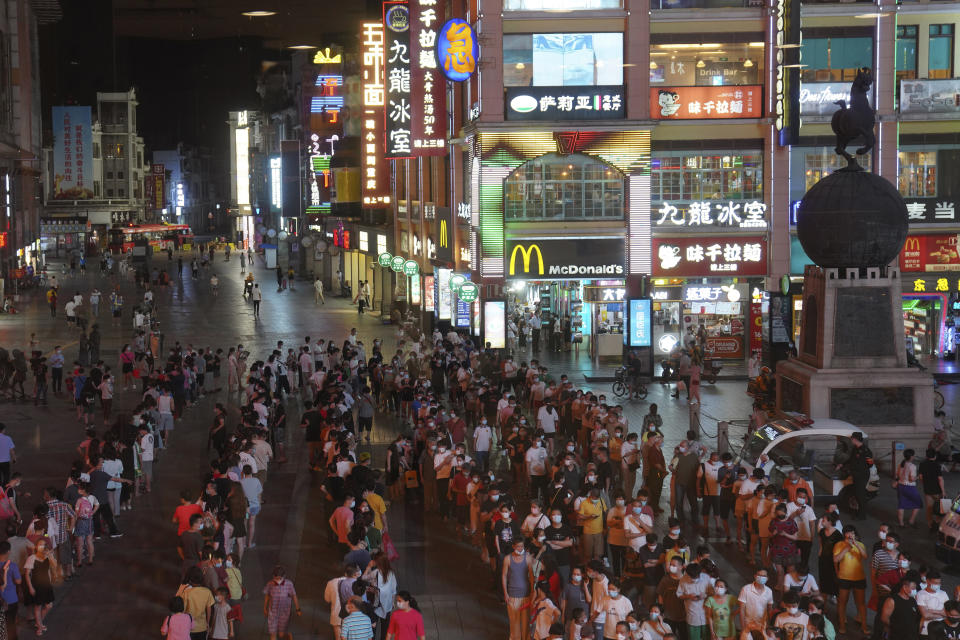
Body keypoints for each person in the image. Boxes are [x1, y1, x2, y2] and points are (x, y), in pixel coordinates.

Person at [833, 525, 868, 635]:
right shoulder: (839, 545)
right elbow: (836, 559)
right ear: (844, 534)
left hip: (859, 578)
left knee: (861, 603)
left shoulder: (860, 544)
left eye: (852, 533)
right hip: (844, 578)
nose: (850, 535)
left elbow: (865, 556)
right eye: (848, 533)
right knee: (842, 602)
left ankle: (864, 626)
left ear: (854, 534)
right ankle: (842, 625)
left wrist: (856, 544)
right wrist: (846, 548)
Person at [503, 538, 533, 640]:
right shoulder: (507, 558)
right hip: (512, 595)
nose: (520, 549)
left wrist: (533, 593)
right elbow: (504, 576)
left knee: (526, 624)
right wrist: (505, 593)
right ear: (513, 546)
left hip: (526, 595)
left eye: (522, 546)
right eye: (518, 546)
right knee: (514, 623)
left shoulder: (528, 558)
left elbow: (532, 577)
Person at [263, 565, 301, 640]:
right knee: (273, 634)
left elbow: (294, 596)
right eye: (276, 578)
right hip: (273, 612)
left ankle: (287, 635)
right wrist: (265, 607)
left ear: (284, 576)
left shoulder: (289, 584)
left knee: (281, 635)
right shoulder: (270, 584)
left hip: (284, 612)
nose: (278, 580)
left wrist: (298, 609)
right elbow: (267, 595)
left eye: (280, 578)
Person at [738, 569, 774, 635]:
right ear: (755, 576)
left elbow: (769, 610)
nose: (761, 577)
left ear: (767, 578)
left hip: (762, 625)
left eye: (764, 576)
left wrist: (768, 626)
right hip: (748, 624)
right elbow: (741, 610)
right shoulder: (745, 589)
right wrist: (743, 628)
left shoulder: (769, 591)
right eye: (759, 575)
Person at [919, 448, 946, 533]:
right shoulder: (937, 465)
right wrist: (943, 491)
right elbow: (940, 479)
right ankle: (940, 523)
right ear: (935, 456)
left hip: (927, 490)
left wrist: (925, 484)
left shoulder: (922, 464)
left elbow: (920, 477)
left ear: (926, 456)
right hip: (937, 490)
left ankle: (930, 525)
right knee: (943, 508)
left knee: (929, 508)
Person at [897, 449, 923, 528]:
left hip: (900, 486)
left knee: (901, 505)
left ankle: (901, 523)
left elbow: (898, 475)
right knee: (918, 503)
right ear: (911, 456)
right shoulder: (912, 466)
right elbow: (911, 479)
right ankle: (911, 520)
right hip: (910, 487)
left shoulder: (901, 464)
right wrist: (918, 477)